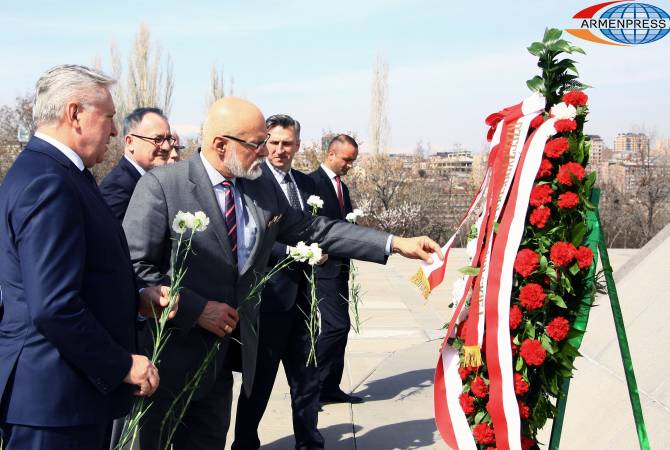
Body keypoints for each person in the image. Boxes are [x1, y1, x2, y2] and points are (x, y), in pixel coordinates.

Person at [122, 96, 442, 450]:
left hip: (221, 365)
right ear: (220, 145)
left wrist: (395, 243)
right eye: (256, 144)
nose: (263, 152)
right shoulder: (163, 186)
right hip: (168, 361)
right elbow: (136, 271)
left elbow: (316, 229)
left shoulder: (260, 187)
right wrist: (198, 310)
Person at [0, 64, 174, 450]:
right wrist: (122, 364)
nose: (114, 131)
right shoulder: (48, 182)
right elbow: (53, 306)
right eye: (109, 117)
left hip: (68, 400)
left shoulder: (65, 174)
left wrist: (138, 298)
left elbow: (82, 275)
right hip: (54, 404)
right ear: (75, 114)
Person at [232, 114, 324, 450]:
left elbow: (317, 229)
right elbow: (255, 239)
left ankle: (309, 441)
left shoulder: (306, 184)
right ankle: (244, 443)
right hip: (267, 302)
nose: (280, 150)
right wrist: (297, 252)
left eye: (287, 143)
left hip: (304, 300)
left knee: (307, 378)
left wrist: (319, 251)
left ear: (298, 145)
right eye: (273, 142)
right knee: (259, 383)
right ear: (263, 143)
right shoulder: (250, 183)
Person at [309, 134, 363, 404]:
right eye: (347, 159)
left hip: (340, 266)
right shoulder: (312, 183)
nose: (350, 165)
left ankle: (330, 387)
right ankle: (311, 388)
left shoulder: (342, 187)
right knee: (335, 327)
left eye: (353, 160)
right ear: (331, 154)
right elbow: (306, 224)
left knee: (341, 327)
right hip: (323, 267)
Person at [99, 107, 172, 220]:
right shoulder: (117, 187)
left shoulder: (155, 180)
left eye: (169, 139)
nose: (167, 147)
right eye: (158, 139)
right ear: (130, 142)